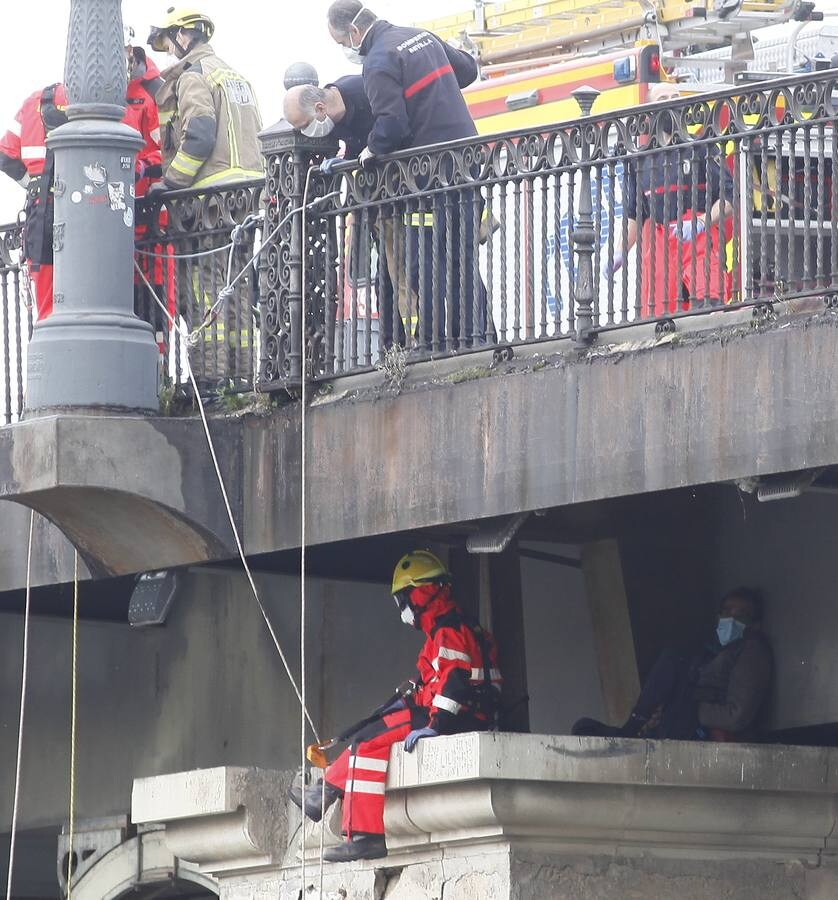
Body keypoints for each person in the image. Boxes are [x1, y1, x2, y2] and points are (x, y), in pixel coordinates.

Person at [289, 550, 502, 862]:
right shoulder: (448, 630)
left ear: (421, 594)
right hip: (458, 714)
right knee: (369, 736)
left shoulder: (448, 632)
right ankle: (323, 793)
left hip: (457, 718)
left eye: (404, 599)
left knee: (369, 742)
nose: (403, 609)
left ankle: (362, 832)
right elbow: (433, 684)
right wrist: (398, 706)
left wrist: (435, 726)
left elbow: (454, 685)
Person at [326, 0, 492, 351]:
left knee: (427, 265)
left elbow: (392, 124)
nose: (346, 49)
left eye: (342, 43)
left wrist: (370, 150)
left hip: (427, 174)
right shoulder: (421, 36)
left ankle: (438, 344)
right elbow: (466, 70)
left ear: (354, 33)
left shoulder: (378, 61)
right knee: (463, 259)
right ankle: (477, 337)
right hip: (466, 160)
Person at [284, 78, 408, 350]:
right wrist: (347, 159)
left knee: (401, 275)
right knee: (385, 281)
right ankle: (393, 348)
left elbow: (390, 128)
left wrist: (364, 154)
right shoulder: (334, 115)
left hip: (402, 196)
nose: (306, 134)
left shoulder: (363, 92)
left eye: (304, 126)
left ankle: (413, 343)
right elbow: (357, 145)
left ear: (319, 108)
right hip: (378, 204)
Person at [573, 587, 773, 742]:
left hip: (700, 729)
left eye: (741, 615)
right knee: (583, 728)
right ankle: (636, 728)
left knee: (673, 660)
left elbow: (735, 716)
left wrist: (689, 709)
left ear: (755, 624)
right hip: (679, 722)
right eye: (727, 611)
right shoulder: (713, 651)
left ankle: (631, 730)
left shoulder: (752, 651)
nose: (731, 619)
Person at [609, 83, 735, 317]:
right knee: (659, 318)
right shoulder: (640, 162)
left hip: (698, 240)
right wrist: (620, 252)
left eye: (675, 97)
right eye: (662, 99)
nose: (671, 102)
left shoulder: (701, 149)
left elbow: (729, 197)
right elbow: (634, 214)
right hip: (660, 243)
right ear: (650, 112)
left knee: (709, 307)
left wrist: (700, 223)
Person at [147, 8, 263, 190]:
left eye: (167, 45)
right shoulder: (236, 77)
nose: (169, 53)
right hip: (252, 194)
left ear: (180, 36)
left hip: (216, 201)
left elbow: (199, 136)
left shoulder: (193, 77)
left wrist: (171, 182)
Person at [0, 84, 67, 321]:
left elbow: (5, 156)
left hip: (39, 212)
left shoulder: (32, 102)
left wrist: (33, 184)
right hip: (83, 208)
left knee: (47, 308)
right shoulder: (86, 101)